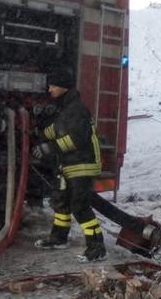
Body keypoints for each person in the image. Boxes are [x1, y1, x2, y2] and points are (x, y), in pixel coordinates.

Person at [33, 67, 107, 263]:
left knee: (80, 207)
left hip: (81, 165)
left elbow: (76, 139)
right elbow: (56, 130)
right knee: (62, 202)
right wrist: (38, 130)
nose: (49, 89)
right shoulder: (66, 108)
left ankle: (96, 247)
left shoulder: (76, 109)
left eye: (53, 85)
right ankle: (58, 238)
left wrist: (49, 148)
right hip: (69, 165)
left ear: (63, 87)